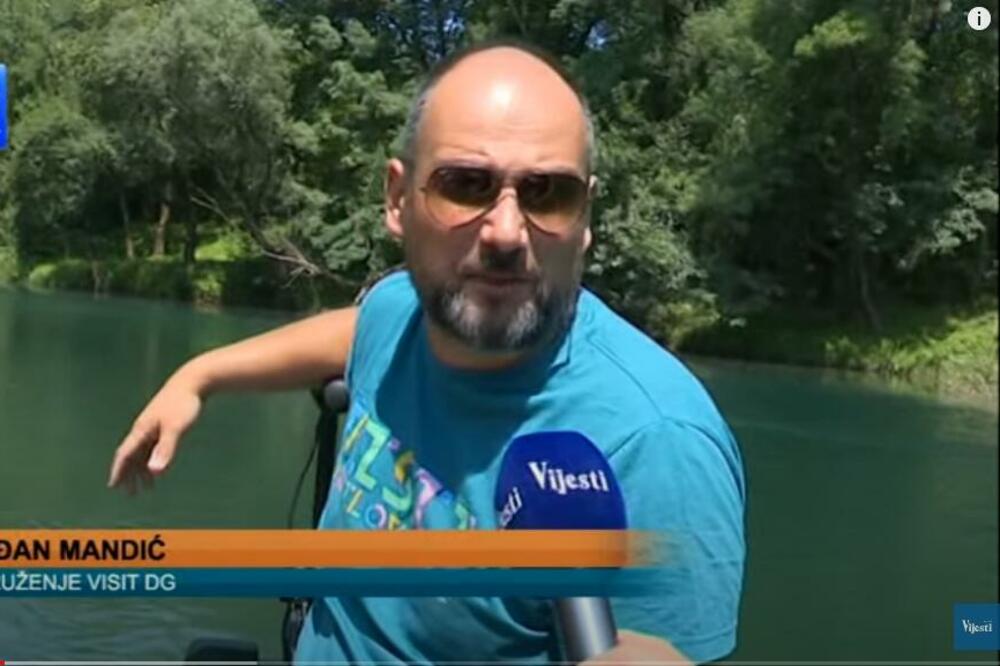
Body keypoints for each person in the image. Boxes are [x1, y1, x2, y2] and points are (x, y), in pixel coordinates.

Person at [108, 40, 746, 665]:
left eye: (548, 193)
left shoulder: (657, 444)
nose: (505, 233)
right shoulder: (403, 311)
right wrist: (200, 375)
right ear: (397, 199)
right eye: (465, 185)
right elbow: (353, 331)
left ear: (585, 219)